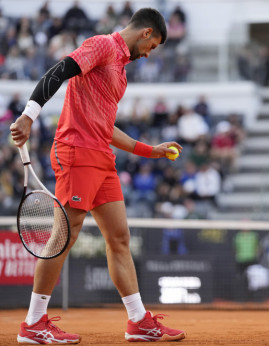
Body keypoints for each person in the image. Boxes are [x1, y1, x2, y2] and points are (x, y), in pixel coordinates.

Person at [10, 8, 185, 344]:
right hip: (76, 152)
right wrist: (29, 115)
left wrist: (152, 150)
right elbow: (59, 70)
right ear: (146, 33)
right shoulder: (103, 45)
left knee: (119, 237)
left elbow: (106, 127)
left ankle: (138, 321)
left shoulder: (119, 69)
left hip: (101, 158)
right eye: (153, 46)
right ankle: (33, 323)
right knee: (65, 234)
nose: (150, 54)